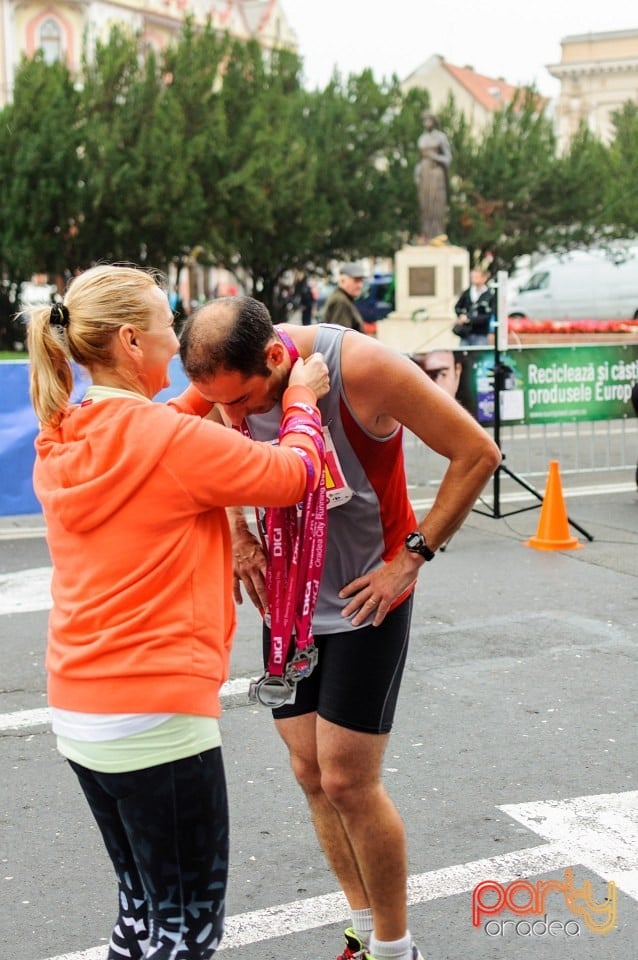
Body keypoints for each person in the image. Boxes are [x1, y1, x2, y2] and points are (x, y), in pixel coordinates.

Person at [179, 300, 501, 960]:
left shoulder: (364, 368)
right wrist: (240, 533)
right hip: (288, 602)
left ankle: (395, 947)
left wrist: (410, 557)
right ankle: (361, 923)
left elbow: (477, 452)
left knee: (349, 780)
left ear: (275, 357)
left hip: (363, 599)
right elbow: (208, 442)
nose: (235, 420)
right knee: (308, 771)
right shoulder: (224, 380)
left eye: (242, 402)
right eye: (221, 405)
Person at [27, 265, 329, 960]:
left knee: (142, 915)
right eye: (170, 323)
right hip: (154, 715)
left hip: (81, 708)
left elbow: (159, 428)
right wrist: (301, 400)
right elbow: (294, 474)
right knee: (186, 931)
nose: (179, 337)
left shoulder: (65, 432)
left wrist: (206, 391)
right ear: (133, 340)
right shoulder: (169, 444)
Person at [414, 113, 452, 244]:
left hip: (436, 174)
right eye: (424, 119)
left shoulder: (441, 137)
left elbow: (448, 158)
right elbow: (419, 160)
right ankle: (426, 236)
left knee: (437, 204)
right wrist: (417, 173)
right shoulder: (422, 138)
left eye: (428, 119)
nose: (426, 122)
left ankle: (439, 235)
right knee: (425, 205)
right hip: (424, 174)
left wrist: (434, 157)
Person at [453, 268, 494, 346]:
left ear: (484, 278)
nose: (473, 279)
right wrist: (461, 316)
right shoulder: (467, 292)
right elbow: (457, 307)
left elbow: (488, 315)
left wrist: (470, 319)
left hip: (481, 334)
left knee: (479, 356)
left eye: (476, 277)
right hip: (465, 333)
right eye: (472, 277)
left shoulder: (489, 295)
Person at [322, 262, 365, 332]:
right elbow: (342, 338)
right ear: (342, 281)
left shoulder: (343, 299)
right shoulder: (341, 302)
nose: (360, 285)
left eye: (361, 281)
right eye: (356, 281)